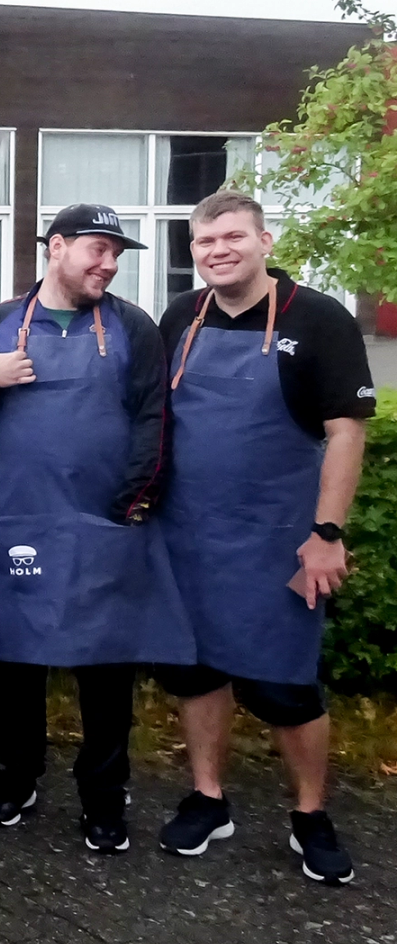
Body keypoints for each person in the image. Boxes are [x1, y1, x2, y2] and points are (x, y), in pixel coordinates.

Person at [0, 203, 194, 854]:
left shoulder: (133, 326)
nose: (108, 264)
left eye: (116, 254)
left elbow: (152, 419)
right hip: (20, 520)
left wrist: (130, 505)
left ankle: (105, 799)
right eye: (97, 250)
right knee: (16, 661)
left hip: (102, 523)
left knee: (105, 672)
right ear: (56, 248)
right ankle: (16, 780)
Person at [155, 190, 372, 883]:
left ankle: (310, 813)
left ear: (265, 241)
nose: (218, 251)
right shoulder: (179, 318)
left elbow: (346, 431)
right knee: (195, 674)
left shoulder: (319, 318)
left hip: (279, 539)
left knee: (285, 687)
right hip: (185, 533)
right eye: (203, 242)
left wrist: (327, 533)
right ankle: (208, 797)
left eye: (232, 238)